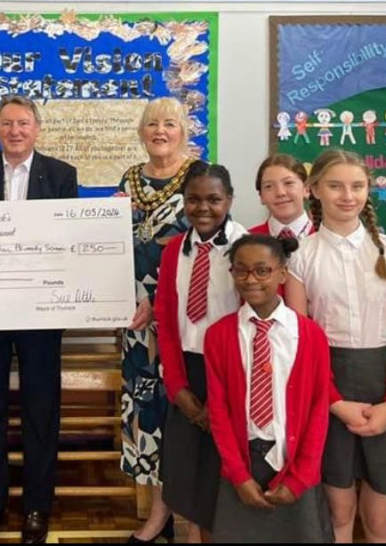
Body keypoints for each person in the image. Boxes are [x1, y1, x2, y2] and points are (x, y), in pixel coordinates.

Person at [0, 94, 78, 544]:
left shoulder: (62, 175)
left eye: (23, 123)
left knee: (40, 410)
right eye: (7, 123)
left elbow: (68, 241)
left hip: (41, 314)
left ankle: (36, 508)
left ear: (36, 129)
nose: (15, 131)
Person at [285, 150, 386, 544]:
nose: (347, 195)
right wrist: (335, 402)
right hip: (329, 388)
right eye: (335, 186)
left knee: (380, 517)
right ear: (314, 190)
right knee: (338, 515)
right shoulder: (301, 255)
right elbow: (300, 341)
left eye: (357, 186)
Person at [205, 234, 332, 542]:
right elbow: (219, 413)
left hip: (294, 465)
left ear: (282, 273)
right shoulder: (219, 336)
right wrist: (238, 475)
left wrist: (300, 478)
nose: (251, 279)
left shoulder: (311, 335)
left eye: (262, 270)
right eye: (241, 270)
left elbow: (318, 409)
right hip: (242, 464)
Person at [154, 162, 246, 542]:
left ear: (229, 200)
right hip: (188, 375)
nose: (203, 208)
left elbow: (250, 323)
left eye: (214, 199)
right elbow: (168, 323)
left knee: (223, 479)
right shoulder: (175, 249)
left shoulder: (245, 248)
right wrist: (178, 389)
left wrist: (223, 397)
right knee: (190, 479)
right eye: (193, 199)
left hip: (232, 375)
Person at [117, 98, 194, 543]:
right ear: (141, 132)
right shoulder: (130, 178)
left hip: (184, 317)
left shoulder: (201, 176)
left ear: (184, 131)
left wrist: (160, 301)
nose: (160, 131)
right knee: (148, 413)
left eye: (169, 124)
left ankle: (187, 513)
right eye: (152, 124)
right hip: (136, 321)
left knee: (185, 411)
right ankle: (159, 516)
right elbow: (114, 244)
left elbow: (208, 249)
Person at [247, 154, 313, 240]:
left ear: (306, 189)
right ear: (261, 196)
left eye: (288, 183)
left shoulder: (327, 238)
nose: (280, 193)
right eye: (269, 186)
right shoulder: (248, 241)